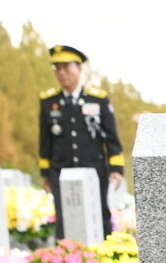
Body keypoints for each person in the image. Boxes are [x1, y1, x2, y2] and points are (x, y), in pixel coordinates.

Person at [38, 45, 124, 239]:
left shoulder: (97, 99)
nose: (61, 73)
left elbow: (111, 137)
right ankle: (66, 261)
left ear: (79, 68)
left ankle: (106, 258)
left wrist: (116, 168)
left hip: (93, 168)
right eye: (57, 68)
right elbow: (45, 140)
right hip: (61, 170)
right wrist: (45, 173)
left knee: (100, 213)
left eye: (66, 67)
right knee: (64, 217)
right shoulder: (48, 101)